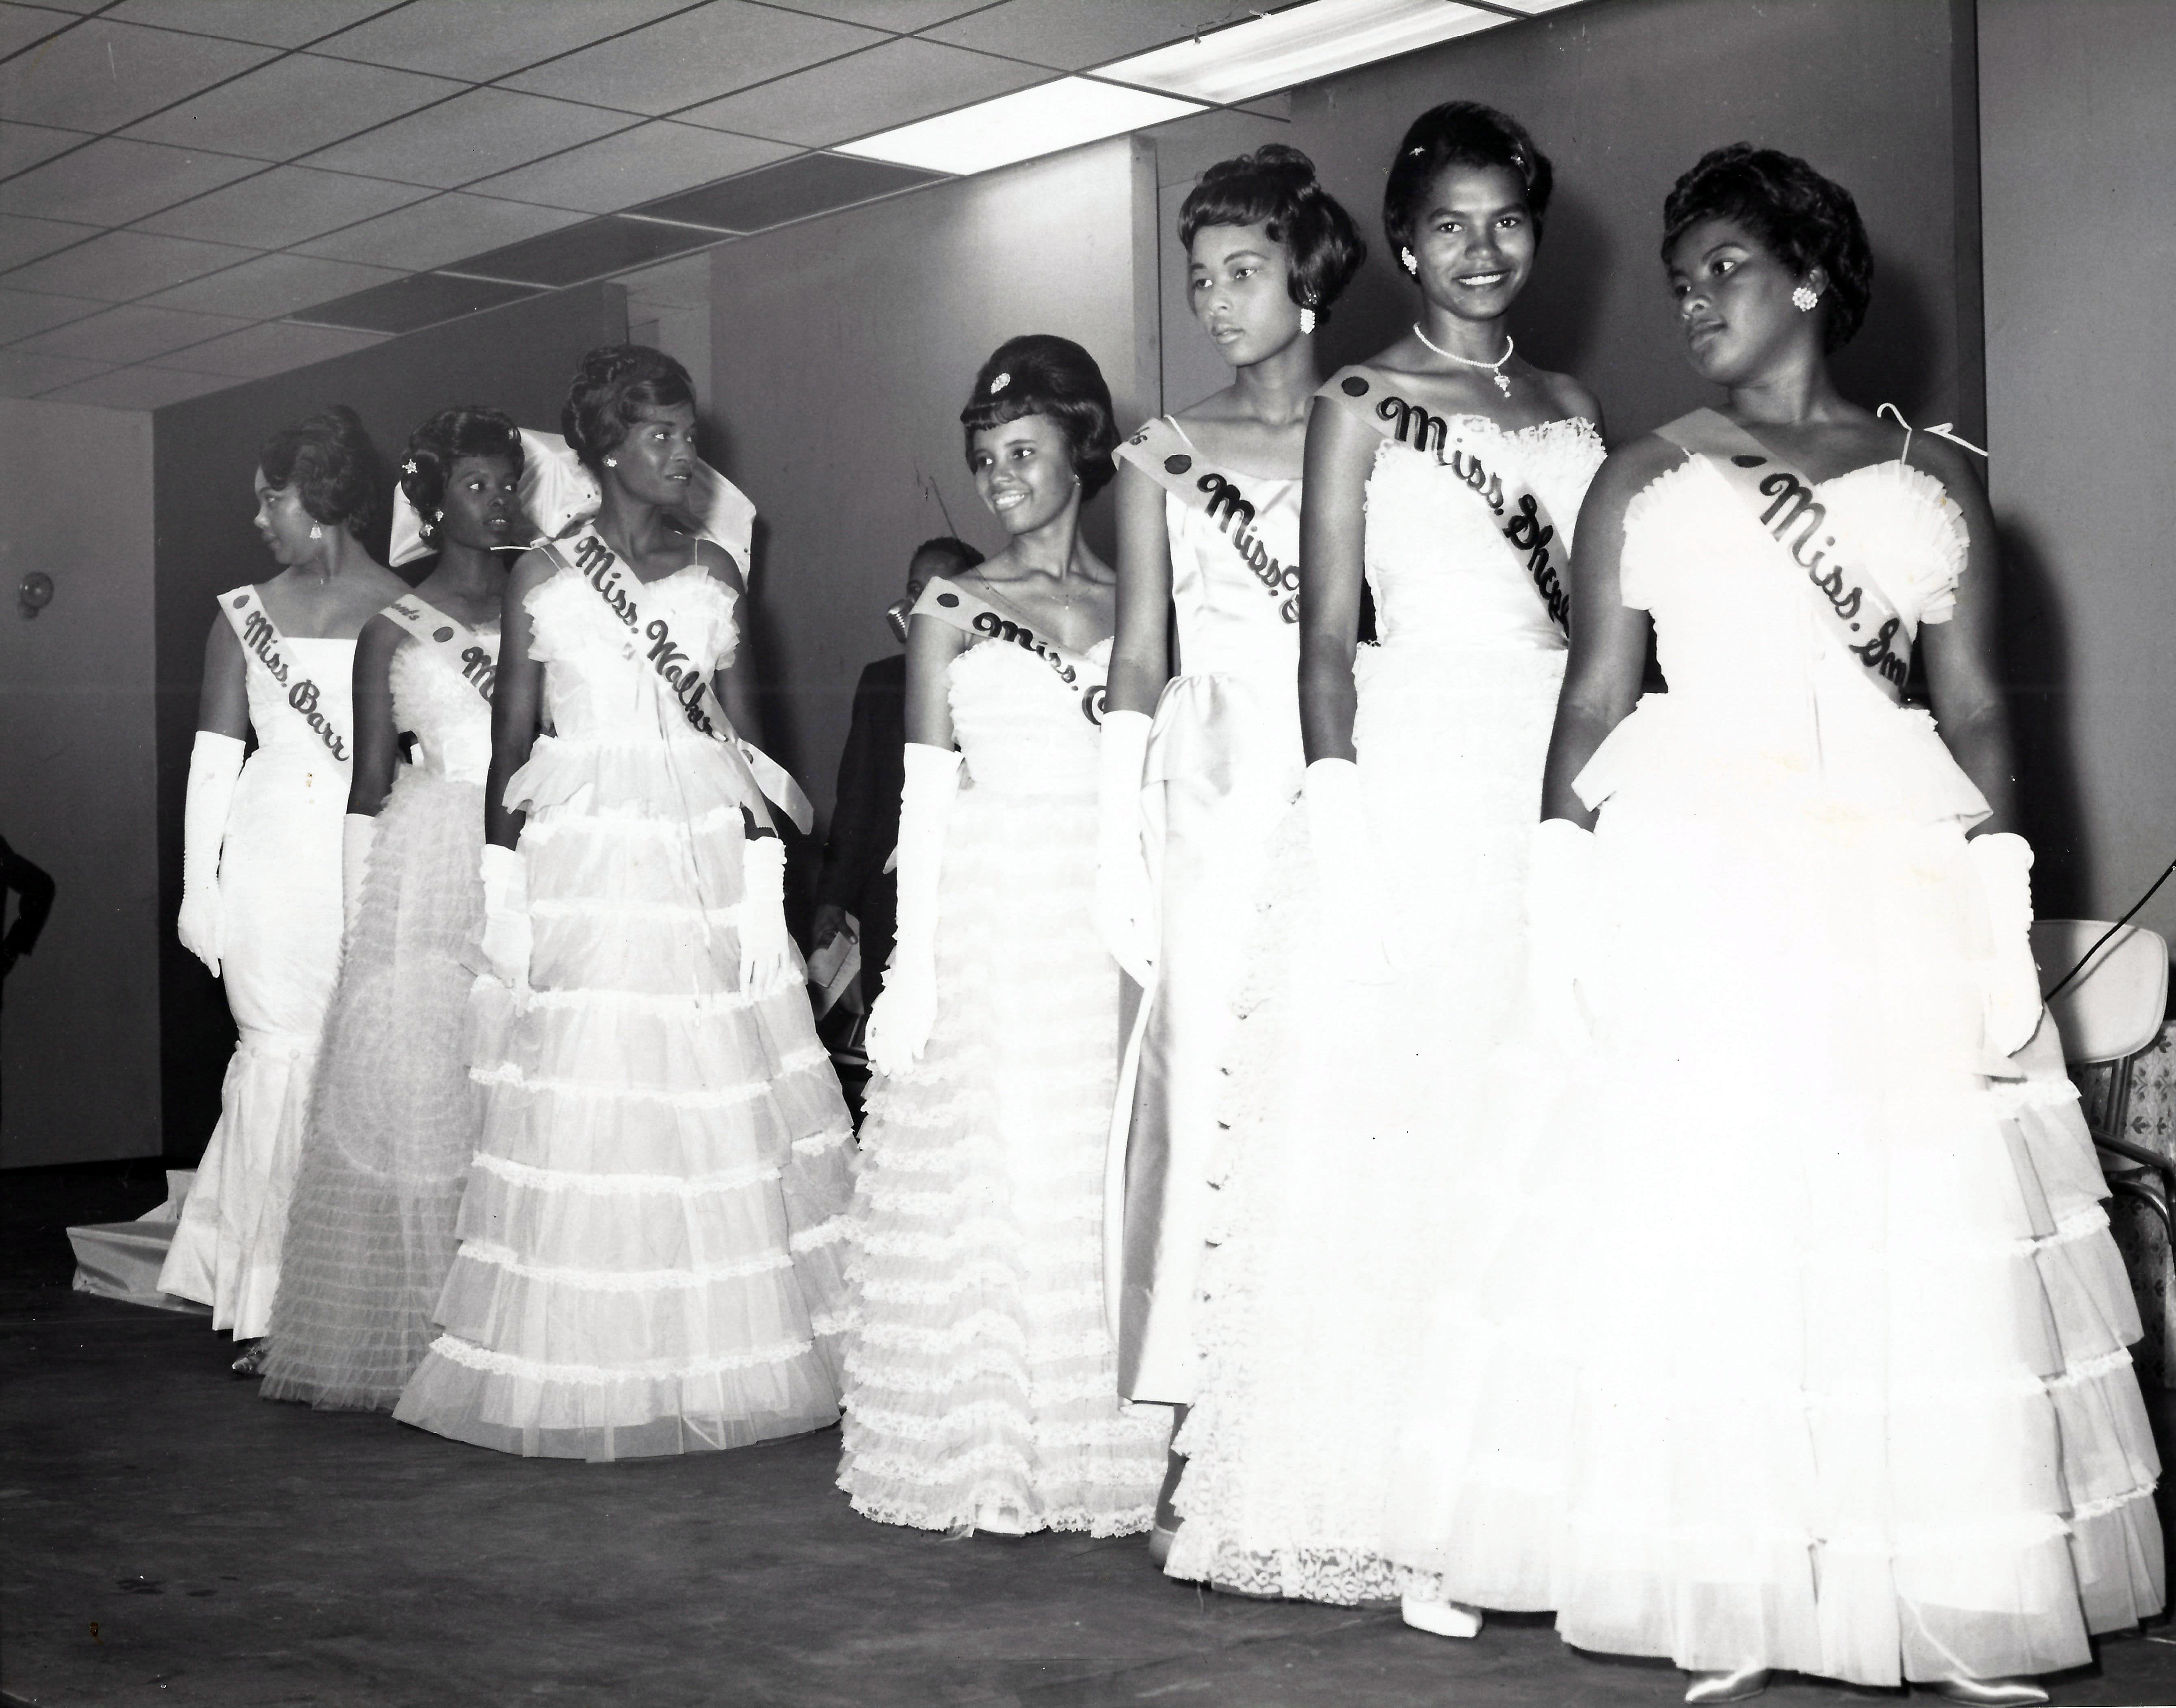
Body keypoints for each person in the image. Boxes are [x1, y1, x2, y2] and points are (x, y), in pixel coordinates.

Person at [1385, 145, 2162, 1706]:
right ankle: (1730, 1573)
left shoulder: (1935, 478)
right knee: (1720, 1205)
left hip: (1882, 866)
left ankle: (1929, 1574)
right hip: (1701, 863)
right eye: (1680, 281)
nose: (1692, 302)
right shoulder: (1646, 471)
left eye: (1722, 269)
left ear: (1811, 276)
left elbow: (1982, 709)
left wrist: (1997, 885)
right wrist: (1563, 890)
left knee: (1896, 1219)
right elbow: (1595, 698)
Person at [1162, 105, 1604, 1627]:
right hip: (1415, 770)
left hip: (1549, 757)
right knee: (1406, 1130)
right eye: (1453, 225)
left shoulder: (1570, 399)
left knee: (1535, 1126)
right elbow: (1325, 638)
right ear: (1406, 243)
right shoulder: (1359, 398)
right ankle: (1412, 1517)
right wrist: (1340, 807)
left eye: (1510, 221)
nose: (1484, 251)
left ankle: (1529, 1496)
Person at [393, 347, 855, 1461]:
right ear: (605, 449)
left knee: (717, 1092)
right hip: (591, 844)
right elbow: (512, 739)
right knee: (598, 1092)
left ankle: (724, 1351)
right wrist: (503, 891)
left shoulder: (716, 572)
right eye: (658, 434)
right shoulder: (543, 574)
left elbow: (747, 743)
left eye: (687, 431)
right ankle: (602, 1355)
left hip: (700, 839)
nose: (681, 451)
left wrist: (771, 880)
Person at [838, 335, 1168, 1537]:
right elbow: (924, 796)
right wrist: (909, 968)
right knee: (1006, 1173)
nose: (1001, 478)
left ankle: (1097, 1449)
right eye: (985, 460)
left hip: (1097, 911)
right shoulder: (950, 604)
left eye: (1023, 452)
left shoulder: (1139, 602)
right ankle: (991, 1453)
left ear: (1082, 450)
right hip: (989, 914)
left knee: (1091, 1171)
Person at [1094, 145, 1365, 1559]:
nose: (1214, 301)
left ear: (1307, 275)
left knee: (1329, 1081)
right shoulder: (1156, 450)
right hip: (1205, 788)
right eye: (1198, 278)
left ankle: (1327, 1411)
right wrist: (1113, 839)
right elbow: (1137, 654)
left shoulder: (1371, 426)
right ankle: (1192, 1423)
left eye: (1241, 270)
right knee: (1201, 1087)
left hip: (1334, 769)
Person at [260, 407, 523, 1412]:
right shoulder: (393, 627)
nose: (494, 503)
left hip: (536, 847)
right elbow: (368, 784)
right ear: (432, 500)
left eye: (506, 485)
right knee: (431, 1097)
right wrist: (355, 927)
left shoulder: (543, 605)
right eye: (473, 487)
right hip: (426, 867)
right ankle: (437, 1321)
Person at [162, 408, 409, 1368]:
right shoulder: (241, 614)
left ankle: (354, 1300)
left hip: (363, 853)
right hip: (265, 857)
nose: (258, 515)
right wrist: (198, 885)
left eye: (272, 496)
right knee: (276, 1052)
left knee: (357, 1065)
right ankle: (269, 1305)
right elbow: (214, 761)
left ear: (321, 497)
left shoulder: (404, 608)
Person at [811, 535, 984, 1014]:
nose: (921, 603)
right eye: (914, 589)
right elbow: (856, 801)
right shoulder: (883, 682)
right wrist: (833, 898)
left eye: (938, 589)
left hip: (971, 888)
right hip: (892, 897)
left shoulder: (996, 679)